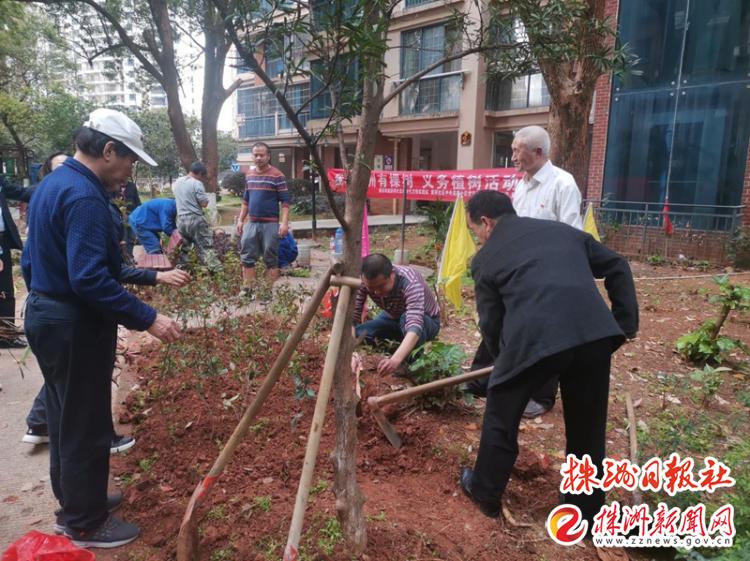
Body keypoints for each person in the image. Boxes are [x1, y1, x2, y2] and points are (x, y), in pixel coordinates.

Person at [22, 108, 183, 548]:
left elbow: (33, 261)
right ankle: (84, 522)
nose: (131, 169)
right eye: (129, 159)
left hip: (47, 313)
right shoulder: (86, 198)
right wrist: (148, 318)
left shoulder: (54, 185)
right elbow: (90, 278)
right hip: (73, 323)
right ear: (108, 150)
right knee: (86, 423)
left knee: (64, 416)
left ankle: (78, 501)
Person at [458, 191, 638, 529]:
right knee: (588, 428)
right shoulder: (562, 232)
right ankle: (585, 511)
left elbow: (491, 323)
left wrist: (504, 364)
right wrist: (625, 324)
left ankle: (485, 493)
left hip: (536, 339)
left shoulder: (485, 260)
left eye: (475, 231)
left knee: (501, 411)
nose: (477, 238)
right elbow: (617, 264)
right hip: (594, 335)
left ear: (485, 222)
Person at [466, 125, 584, 418]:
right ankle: (482, 377)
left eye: (518, 150)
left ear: (538, 152)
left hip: (549, 272)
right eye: (514, 149)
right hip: (518, 267)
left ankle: (542, 396)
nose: (513, 155)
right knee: (498, 319)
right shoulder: (522, 184)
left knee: (544, 332)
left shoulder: (563, 184)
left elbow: (571, 233)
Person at [353, 253, 440, 376]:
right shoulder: (364, 281)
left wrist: (395, 360)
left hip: (426, 321)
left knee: (406, 320)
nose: (376, 292)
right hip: (393, 316)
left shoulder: (411, 282)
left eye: (381, 286)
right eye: (371, 288)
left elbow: (415, 324)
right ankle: (400, 344)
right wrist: (349, 346)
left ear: (392, 273)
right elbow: (354, 314)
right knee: (360, 332)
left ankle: (411, 364)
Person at [237, 142, 290, 296]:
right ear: (252, 156)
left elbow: (285, 202)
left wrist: (284, 223)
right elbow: (246, 200)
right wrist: (241, 219)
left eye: (262, 155)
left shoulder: (277, 175)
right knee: (247, 256)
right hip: (252, 223)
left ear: (268, 156)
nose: (258, 158)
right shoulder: (249, 175)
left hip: (270, 224)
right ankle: (248, 290)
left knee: (270, 258)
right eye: (255, 155)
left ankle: (267, 292)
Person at [0, 163, 42, 347]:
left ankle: (6, 336)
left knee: (6, 290)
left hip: (2, 241)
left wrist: (50, 185)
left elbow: (18, 192)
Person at [174, 161, 219, 270]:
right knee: (206, 247)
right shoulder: (196, 183)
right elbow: (204, 203)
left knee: (184, 248)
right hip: (195, 219)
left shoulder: (178, 182)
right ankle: (216, 272)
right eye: (202, 176)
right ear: (200, 173)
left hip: (180, 220)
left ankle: (182, 272)